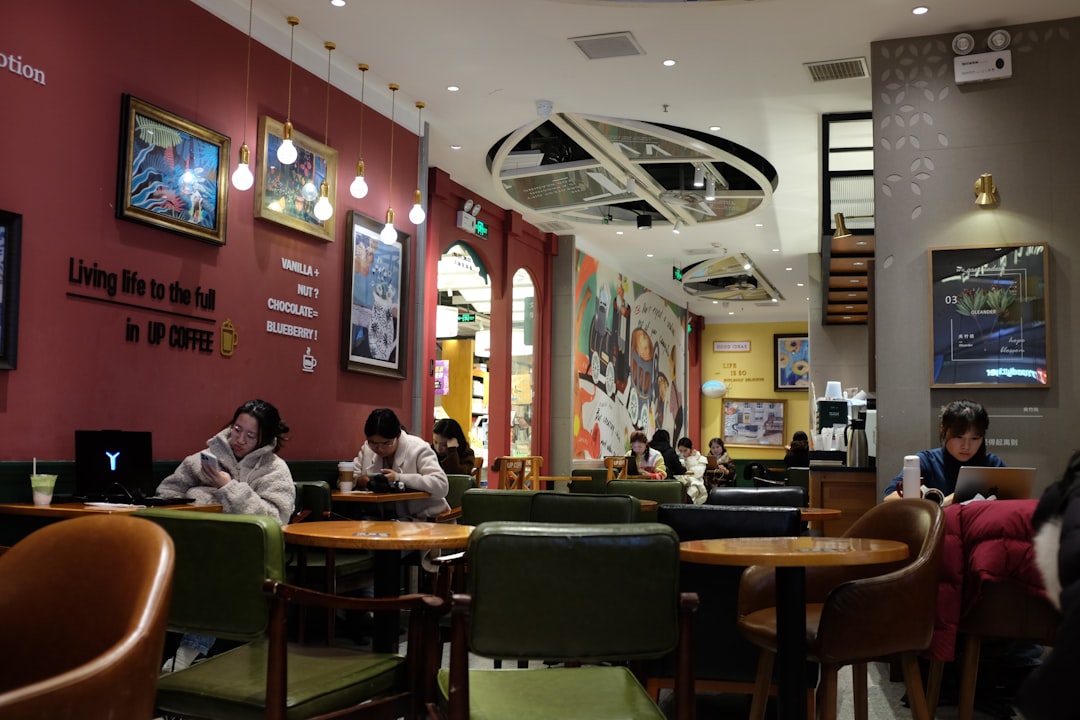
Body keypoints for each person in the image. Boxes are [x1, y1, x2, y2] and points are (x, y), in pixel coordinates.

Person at [158, 398, 296, 672]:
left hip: (248, 554)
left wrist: (228, 487)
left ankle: (190, 651)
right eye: (236, 429)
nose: (240, 439)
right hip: (196, 546)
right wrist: (197, 497)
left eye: (250, 435)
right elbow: (165, 494)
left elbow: (274, 518)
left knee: (217, 571)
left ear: (265, 438)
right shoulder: (206, 457)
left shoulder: (274, 470)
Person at [883, 399, 1005, 506]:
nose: (966, 446)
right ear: (943, 429)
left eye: (975, 438)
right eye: (959, 437)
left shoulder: (992, 464)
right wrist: (944, 501)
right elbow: (889, 498)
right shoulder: (926, 461)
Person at [355, 408, 449, 521]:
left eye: (386, 443)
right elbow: (347, 478)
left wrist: (399, 478)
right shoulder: (367, 449)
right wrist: (360, 481)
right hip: (385, 521)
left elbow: (441, 485)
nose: (379, 448)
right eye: (373, 443)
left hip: (427, 519)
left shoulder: (418, 448)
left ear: (398, 436)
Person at [675, 437, 708, 504]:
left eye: (685, 450)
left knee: (692, 491)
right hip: (683, 482)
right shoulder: (679, 460)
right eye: (680, 451)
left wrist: (690, 459)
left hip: (696, 483)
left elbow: (697, 474)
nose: (683, 453)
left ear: (691, 449)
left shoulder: (701, 459)